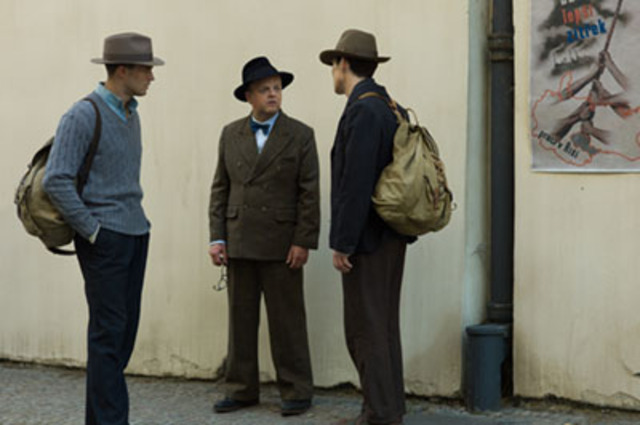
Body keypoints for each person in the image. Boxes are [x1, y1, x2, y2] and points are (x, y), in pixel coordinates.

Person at [42, 32, 163, 425]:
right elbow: (56, 179)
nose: (152, 76)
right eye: (146, 69)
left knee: (121, 338)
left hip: (136, 233)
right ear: (122, 70)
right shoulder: (82, 115)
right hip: (105, 240)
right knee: (108, 337)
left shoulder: (131, 114)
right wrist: (93, 231)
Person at [208, 56, 320, 417]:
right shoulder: (230, 134)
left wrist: (303, 240)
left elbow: (309, 193)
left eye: (277, 88)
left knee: (288, 321)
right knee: (240, 321)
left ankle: (297, 389)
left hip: (281, 242)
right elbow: (220, 189)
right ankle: (240, 389)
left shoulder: (300, 134)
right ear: (248, 96)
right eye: (264, 89)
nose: (273, 94)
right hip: (239, 238)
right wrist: (217, 237)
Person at [320, 29, 414, 425]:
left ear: (343, 64)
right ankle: (388, 409)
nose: (333, 73)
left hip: (367, 240)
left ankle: (379, 415)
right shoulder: (392, 107)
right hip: (391, 235)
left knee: (364, 329)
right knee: (384, 325)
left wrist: (342, 242)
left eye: (333, 65)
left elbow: (355, 183)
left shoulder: (362, 110)